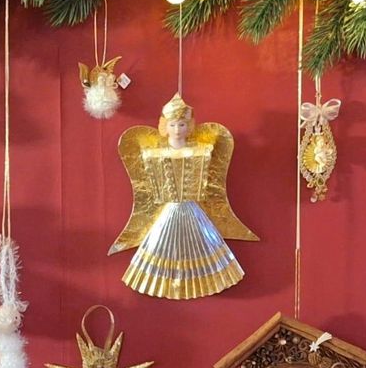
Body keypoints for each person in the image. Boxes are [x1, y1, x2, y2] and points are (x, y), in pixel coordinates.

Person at [110, 96, 257, 299]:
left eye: (182, 124)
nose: (177, 129)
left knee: (202, 253)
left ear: (189, 126)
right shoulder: (154, 154)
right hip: (166, 215)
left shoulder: (201, 151)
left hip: (194, 214)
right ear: (165, 126)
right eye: (173, 124)